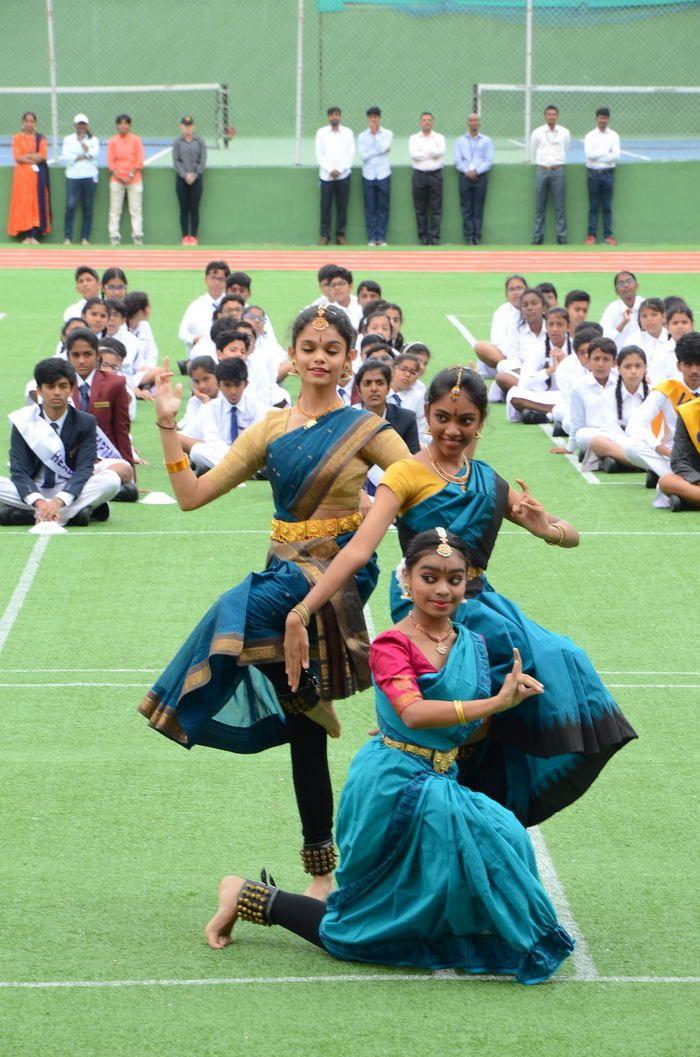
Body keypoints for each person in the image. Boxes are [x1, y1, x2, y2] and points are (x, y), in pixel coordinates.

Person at [207, 530, 576, 985]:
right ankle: (252, 897)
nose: (443, 589)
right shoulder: (392, 645)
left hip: (440, 779)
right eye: (430, 577)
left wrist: (512, 702)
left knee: (501, 842)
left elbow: (468, 728)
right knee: (363, 929)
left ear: (468, 582)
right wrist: (494, 704)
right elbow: (415, 712)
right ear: (408, 579)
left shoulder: (473, 644)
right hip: (394, 787)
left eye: (454, 579)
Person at [285, 366, 637, 829]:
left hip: (478, 597)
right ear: (426, 415)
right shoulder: (406, 474)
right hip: (424, 597)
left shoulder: (489, 480)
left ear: (480, 424)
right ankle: (441, 766)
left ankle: (478, 792)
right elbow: (358, 550)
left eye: (466, 420)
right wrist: (303, 609)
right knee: (491, 659)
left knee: (560, 655)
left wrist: (546, 528)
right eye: (443, 417)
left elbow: (570, 536)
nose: (453, 430)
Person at [138, 304, 409, 898]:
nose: (319, 358)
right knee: (305, 731)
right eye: (309, 347)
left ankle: (181, 702)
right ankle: (321, 871)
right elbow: (192, 495)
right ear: (292, 354)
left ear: (347, 358)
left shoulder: (367, 429)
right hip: (282, 569)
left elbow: (416, 482)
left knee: (234, 609)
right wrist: (165, 426)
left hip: (333, 575)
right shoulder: (271, 428)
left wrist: (385, 510)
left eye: (332, 349)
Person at [0, 358, 120, 527]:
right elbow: (18, 470)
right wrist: (39, 502)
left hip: (69, 490)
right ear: (39, 391)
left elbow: (85, 468)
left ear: (71, 390)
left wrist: (59, 501)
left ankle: (29, 515)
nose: (57, 392)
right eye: (50, 387)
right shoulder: (23, 421)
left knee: (111, 480)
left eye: (62, 386)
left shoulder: (85, 422)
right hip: (34, 490)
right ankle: (73, 516)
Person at [621, 332, 700, 505]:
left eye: (699, 364)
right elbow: (635, 424)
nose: (694, 371)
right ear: (679, 366)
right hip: (672, 457)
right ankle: (681, 486)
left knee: (665, 484)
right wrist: (660, 448)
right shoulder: (667, 389)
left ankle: (685, 493)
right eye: (688, 364)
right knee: (631, 446)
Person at [66, 328, 135, 489]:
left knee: (121, 472)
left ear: (98, 356)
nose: (81, 360)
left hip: (103, 460)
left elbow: (121, 430)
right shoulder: (60, 385)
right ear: (68, 356)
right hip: (68, 460)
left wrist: (131, 476)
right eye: (75, 355)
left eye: (87, 354)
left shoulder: (115, 383)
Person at [189, 358, 266, 474]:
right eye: (227, 385)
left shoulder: (256, 407)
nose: (233, 391)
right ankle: (244, 472)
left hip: (249, 456)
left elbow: (258, 441)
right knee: (196, 451)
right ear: (219, 385)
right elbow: (213, 441)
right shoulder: (209, 408)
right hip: (223, 456)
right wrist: (234, 458)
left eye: (237, 385)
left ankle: (229, 472)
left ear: (246, 384)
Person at [586, 346, 649, 472]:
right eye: (627, 366)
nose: (633, 371)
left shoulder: (655, 393)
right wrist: (631, 445)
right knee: (596, 442)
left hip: (648, 444)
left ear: (645, 368)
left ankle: (622, 463)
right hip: (622, 444)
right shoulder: (608, 395)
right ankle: (646, 466)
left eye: (638, 366)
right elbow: (613, 430)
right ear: (618, 368)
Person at [507, 306, 572, 424]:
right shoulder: (538, 348)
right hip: (544, 397)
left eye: (560, 324)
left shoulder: (575, 347)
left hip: (569, 397)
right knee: (514, 394)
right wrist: (550, 370)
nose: (555, 329)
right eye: (551, 324)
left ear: (568, 327)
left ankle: (547, 416)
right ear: (546, 327)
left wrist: (565, 363)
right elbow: (524, 383)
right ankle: (557, 414)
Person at [474, 274, 528, 396]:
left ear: (527, 290)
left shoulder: (534, 309)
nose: (516, 292)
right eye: (511, 289)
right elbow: (497, 342)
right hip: (503, 359)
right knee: (481, 346)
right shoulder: (501, 312)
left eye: (519, 288)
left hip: (528, 359)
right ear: (506, 295)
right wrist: (511, 362)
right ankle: (512, 371)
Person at [7, 111, 51, 244]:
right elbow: (17, 157)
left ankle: (34, 235)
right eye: (27, 121)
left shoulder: (41, 139)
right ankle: (26, 235)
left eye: (32, 122)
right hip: (22, 178)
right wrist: (33, 156)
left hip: (37, 178)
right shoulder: (17, 138)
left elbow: (42, 156)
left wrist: (28, 156)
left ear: (35, 123)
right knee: (23, 204)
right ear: (23, 123)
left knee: (37, 204)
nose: (29, 124)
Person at [530, 105, 570, 245]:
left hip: (558, 170)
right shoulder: (537, 132)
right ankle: (537, 237)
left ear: (557, 116)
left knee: (560, 206)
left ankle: (562, 237)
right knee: (539, 206)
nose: (551, 116)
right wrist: (544, 163)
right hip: (542, 170)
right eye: (549, 114)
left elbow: (566, 147)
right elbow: (533, 150)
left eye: (554, 114)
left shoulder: (564, 132)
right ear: (545, 116)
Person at [495, 288, 547, 395]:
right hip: (523, 376)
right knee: (502, 375)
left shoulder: (552, 328)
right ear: (521, 311)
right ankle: (531, 394)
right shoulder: (516, 331)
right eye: (525, 305)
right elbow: (513, 358)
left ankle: (527, 396)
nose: (530, 308)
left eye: (534, 303)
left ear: (544, 308)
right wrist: (526, 374)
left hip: (548, 374)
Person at [315, 107, 355, 246]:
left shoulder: (348, 133)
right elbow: (319, 154)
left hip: (343, 176)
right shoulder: (321, 133)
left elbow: (350, 153)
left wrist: (340, 169)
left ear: (340, 117)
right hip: (326, 176)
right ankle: (325, 236)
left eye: (336, 115)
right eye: (332, 115)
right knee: (325, 207)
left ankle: (340, 235)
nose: (334, 117)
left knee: (342, 207)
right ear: (328, 117)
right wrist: (330, 169)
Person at [454, 113, 493, 245]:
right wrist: (467, 171)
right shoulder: (460, 141)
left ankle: (477, 236)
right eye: (471, 120)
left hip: (480, 177)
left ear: (479, 123)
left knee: (478, 207)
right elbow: (458, 161)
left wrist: (476, 171)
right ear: (468, 123)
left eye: (476, 120)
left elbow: (488, 161)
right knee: (466, 207)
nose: (474, 122)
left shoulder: (486, 140)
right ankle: (469, 237)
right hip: (464, 176)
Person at [584, 108, 620, 246]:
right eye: (600, 117)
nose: (602, 120)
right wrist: (606, 153)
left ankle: (608, 236)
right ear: (596, 119)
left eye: (605, 118)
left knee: (607, 207)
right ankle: (591, 236)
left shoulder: (614, 136)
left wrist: (598, 154)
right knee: (593, 206)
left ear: (608, 119)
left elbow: (616, 155)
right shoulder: (590, 136)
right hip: (593, 173)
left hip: (608, 173)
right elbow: (589, 155)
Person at [61, 113, 99, 245]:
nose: (81, 126)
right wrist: (82, 156)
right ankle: (68, 237)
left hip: (89, 176)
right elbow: (66, 156)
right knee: (71, 206)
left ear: (87, 126)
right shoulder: (68, 139)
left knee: (87, 207)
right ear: (75, 125)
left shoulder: (93, 140)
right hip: (73, 176)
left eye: (83, 124)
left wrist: (84, 146)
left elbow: (93, 155)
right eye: (79, 124)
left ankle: (85, 238)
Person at [178, 261, 230, 355]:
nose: (217, 282)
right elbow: (182, 332)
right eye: (213, 278)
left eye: (221, 279)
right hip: (200, 357)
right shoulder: (196, 306)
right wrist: (195, 339)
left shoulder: (232, 305)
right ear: (206, 279)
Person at [357, 107, 393, 246]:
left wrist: (374, 136)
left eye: (376, 117)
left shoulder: (388, 133)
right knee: (370, 207)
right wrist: (381, 150)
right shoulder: (362, 136)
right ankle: (372, 238)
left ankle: (382, 238)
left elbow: (384, 147)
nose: (373, 119)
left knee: (383, 207)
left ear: (379, 118)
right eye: (371, 117)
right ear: (368, 118)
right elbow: (364, 156)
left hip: (384, 173)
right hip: (368, 174)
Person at [408, 112, 446, 245]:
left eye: (429, 120)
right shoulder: (413, 138)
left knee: (436, 209)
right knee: (420, 209)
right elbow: (414, 155)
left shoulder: (439, 137)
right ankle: (423, 238)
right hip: (419, 175)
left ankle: (435, 238)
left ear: (433, 122)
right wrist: (431, 153)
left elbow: (440, 152)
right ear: (420, 123)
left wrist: (423, 152)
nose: (427, 122)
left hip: (435, 175)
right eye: (424, 120)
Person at [107, 114, 144, 246]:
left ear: (129, 125)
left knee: (135, 210)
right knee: (115, 210)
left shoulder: (136, 140)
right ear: (117, 125)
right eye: (120, 123)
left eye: (126, 123)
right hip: (117, 180)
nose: (123, 126)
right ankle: (114, 237)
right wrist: (119, 175)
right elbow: (111, 162)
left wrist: (130, 175)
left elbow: (139, 161)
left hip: (134, 180)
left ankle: (137, 237)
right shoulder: (112, 141)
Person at [658, 397, 700, 511]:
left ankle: (689, 501)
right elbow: (678, 460)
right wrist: (697, 480)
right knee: (666, 481)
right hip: (696, 480)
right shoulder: (688, 412)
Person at [172, 115, 207, 245]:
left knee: (194, 208)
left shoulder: (200, 141)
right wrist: (184, 175)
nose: (188, 128)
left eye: (190, 125)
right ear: (181, 126)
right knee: (184, 208)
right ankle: (185, 236)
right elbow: (176, 161)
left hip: (196, 179)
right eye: (185, 125)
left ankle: (194, 237)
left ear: (193, 126)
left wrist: (195, 174)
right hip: (182, 179)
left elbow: (202, 160)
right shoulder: (177, 142)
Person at [600, 271, 643, 343]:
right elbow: (604, 338)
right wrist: (623, 323)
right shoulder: (612, 309)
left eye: (629, 281)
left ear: (637, 285)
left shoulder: (646, 305)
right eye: (621, 283)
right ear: (616, 291)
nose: (626, 285)